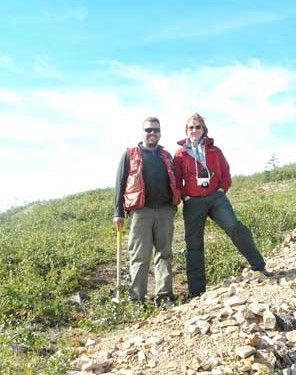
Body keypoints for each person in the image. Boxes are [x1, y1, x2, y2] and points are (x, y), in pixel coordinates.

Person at [173, 113, 269, 299]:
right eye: (191, 127)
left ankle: (258, 265)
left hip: (216, 198)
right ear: (186, 131)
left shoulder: (215, 151)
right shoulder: (180, 154)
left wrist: (221, 190)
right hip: (193, 202)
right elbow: (176, 179)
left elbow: (226, 172)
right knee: (194, 244)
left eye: (198, 127)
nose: (194, 130)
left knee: (234, 226)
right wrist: (185, 196)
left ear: (204, 130)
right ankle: (197, 291)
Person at [114, 116, 181, 306]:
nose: (152, 133)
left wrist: (173, 206)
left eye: (156, 130)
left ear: (160, 132)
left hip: (165, 211)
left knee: (164, 254)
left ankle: (165, 296)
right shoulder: (130, 154)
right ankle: (137, 300)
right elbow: (120, 183)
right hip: (140, 212)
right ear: (142, 132)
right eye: (148, 130)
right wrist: (118, 212)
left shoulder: (166, 155)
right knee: (140, 256)